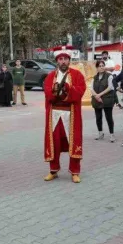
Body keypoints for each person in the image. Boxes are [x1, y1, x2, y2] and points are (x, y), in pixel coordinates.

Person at [43, 46, 86, 184]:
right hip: (54, 115)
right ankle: (53, 170)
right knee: (54, 142)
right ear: (57, 61)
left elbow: (80, 91)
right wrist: (55, 92)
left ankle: (75, 172)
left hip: (71, 115)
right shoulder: (50, 76)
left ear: (69, 60)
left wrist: (68, 89)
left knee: (73, 142)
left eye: (65, 59)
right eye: (60, 59)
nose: (63, 61)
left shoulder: (77, 75)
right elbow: (47, 94)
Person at [90, 60, 116, 143]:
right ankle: (100, 133)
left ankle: (112, 134)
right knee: (98, 117)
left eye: (103, 65)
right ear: (97, 68)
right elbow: (91, 88)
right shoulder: (94, 77)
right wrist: (96, 96)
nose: (102, 67)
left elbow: (110, 87)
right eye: (100, 66)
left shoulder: (109, 76)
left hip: (107, 99)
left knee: (109, 117)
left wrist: (99, 95)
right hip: (96, 100)